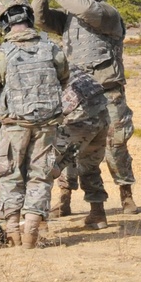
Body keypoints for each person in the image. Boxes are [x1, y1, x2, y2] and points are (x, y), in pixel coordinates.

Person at [31, 0, 140, 214]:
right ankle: (65, 197)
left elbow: (87, 10)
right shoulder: (70, 18)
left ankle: (126, 195)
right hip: (77, 96)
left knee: (115, 144)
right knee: (68, 145)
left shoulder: (107, 14)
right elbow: (41, 20)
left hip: (107, 91)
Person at [0, 0, 69, 248]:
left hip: (14, 126)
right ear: (28, 16)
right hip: (47, 126)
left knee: (10, 175)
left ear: (4, 20)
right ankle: (31, 234)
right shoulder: (53, 50)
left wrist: (2, 102)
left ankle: (13, 233)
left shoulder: (2, 56)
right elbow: (63, 78)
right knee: (41, 176)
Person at [51, 64, 111, 229]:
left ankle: (38, 220)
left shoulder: (40, 68)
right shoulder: (62, 62)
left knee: (47, 165)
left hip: (79, 120)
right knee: (89, 165)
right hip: (102, 116)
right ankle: (97, 214)